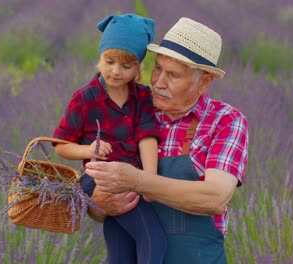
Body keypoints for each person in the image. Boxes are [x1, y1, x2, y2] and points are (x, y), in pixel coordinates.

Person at [85, 17, 249, 263]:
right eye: (158, 68)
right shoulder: (133, 111)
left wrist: (138, 180)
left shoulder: (225, 121)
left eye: (173, 75)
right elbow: (97, 198)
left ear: (204, 81)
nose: (158, 82)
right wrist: (97, 204)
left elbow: (215, 197)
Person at [52, 13, 167, 264]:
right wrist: (86, 150)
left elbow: (147, 137)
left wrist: (150, 181)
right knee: (153, 239)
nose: (116, 71)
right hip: (97, 179)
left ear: (138, 67)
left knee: (121, 249)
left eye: (126, 66)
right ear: (100, 58)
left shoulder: (142, 96)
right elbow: (61, 145)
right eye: (109, 61)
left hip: (131, 179)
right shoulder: (84, 99)